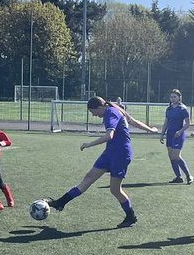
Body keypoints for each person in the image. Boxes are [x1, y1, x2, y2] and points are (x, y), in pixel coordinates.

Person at [47, 95, 158, 228]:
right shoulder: (113, 110)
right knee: (88, 178)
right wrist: (150, 129)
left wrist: (89, 144)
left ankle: (130, 216)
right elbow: (133, 122)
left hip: (121, 155)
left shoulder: (110, 113)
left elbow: (109, 136)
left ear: (99, 107)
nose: (93, 115)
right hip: (110, 153)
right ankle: (61, 202)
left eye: (93, 112)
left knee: (115, 190)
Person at [160, 88, 193, 184]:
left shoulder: (183, 109)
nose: (173, 98)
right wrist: (162, 135)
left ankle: (188, 175)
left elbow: (188, 123)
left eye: (175, 97)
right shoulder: (169, 109)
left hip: (179, 135)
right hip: (170, 135)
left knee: (176, 156)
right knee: (171, 156)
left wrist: (180, 131)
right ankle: (179, 177)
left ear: (179, 98)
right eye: (171, 97)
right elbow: (166, 123)